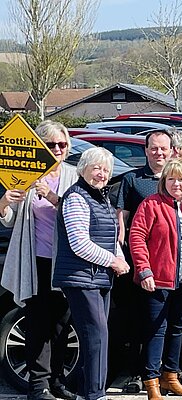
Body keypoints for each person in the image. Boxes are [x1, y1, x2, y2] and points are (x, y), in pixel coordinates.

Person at [0, 120, 78, 400]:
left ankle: (58, 381)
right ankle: (39, 385)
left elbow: (79, 215)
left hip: (66, 263)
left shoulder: (74, 175)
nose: (57, 149)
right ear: (40, 148)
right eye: (51, 144)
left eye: (62, 144)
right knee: (37, 324)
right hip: (35, 262)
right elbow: (9, 221)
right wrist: (4, 203)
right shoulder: (25, 175)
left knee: (62, 324)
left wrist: (54, 197)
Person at [114, 130, 182, 390]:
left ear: (172, 150)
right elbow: (124, 223)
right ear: (146, 150)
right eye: (154, 148)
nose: (158, 153)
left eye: (163, 148)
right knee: (147, 324)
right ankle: (144, 374)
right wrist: (129, 258)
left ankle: (173, 373)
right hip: (146, 267)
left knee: (175, 325)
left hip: (180, 272)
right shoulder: (133, 181)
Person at [128, 158, 182, 399]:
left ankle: (171, 377)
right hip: (157, 281)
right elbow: (136, 238)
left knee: (177, 330)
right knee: (157, 330)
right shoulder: (150, 205)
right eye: (172, 179)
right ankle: (152, 381)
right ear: (164, 181)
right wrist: (143, 270)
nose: (177, 184)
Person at [53, 147, 130, 400]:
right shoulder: (76, 197)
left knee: (96, 337)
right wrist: (114, 261)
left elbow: (109, 237)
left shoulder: (101, 197)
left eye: (106, 170)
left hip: (98, 277)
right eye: (97, 168)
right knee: (96, 336)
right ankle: (95, 394)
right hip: (81, 277)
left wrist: (118, 255)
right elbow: (79, 242)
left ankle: (86, 391)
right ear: (82, 169)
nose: (102, 174)